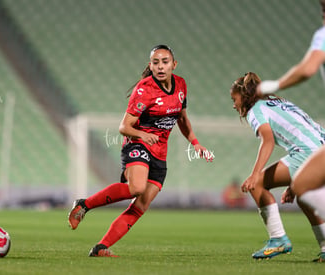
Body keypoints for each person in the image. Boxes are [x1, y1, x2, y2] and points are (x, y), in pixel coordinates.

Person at [68, 44, 210, 257]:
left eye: (165, 62)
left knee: (140, 206)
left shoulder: (181, 85)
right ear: (150, 66)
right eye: (156, 62)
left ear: (174, 64)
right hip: (137, 144)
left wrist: (195, 142)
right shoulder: (144, 90)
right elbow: (124, 127)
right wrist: (143, 135)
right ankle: (84, 205)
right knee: (136, 188)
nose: (161, 66)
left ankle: (101, 248)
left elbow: (182, 118)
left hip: (160, 154)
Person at [230, 72, 325, 261]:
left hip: (309, 154)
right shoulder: (279, 102)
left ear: (245, 96)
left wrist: (254, 174)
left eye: (234, 99)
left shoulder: (255, 110)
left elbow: (268, 141)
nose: (234, 105)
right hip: (320, 151)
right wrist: (295, 184)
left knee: (257, 184)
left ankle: (278, 239)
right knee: (306, 199)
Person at [256, 0, 325, 239]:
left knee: (302, 186)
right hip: (319, 143)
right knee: (302, 185)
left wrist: (275, 84)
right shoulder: (285, 105)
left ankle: (278, 239)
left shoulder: (323, 35)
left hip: (309, 149)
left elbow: (307, 69)